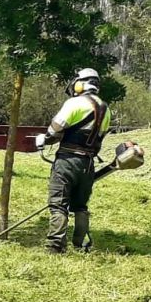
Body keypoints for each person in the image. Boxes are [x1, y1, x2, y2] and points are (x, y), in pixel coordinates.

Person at [34, 68, 112, 253]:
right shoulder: (105, 108)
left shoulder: (74, 103)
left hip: (67, 160)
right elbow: (98, 139)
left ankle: (55, 246)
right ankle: (80, 244)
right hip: (88, 163)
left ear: (81, 83)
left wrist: (44, 139)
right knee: (80, 206)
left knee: (58, 204)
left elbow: (54, 130)